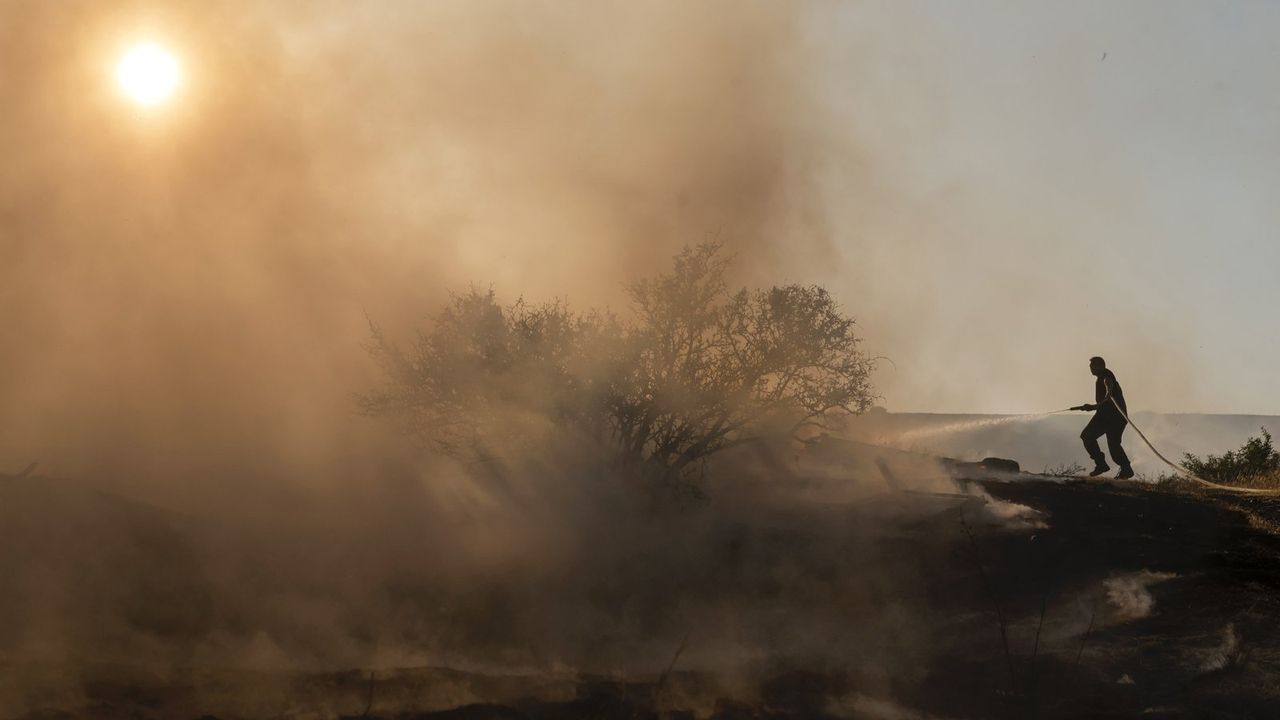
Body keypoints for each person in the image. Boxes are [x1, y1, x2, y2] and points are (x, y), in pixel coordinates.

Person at [1072, 356, 1134, 478]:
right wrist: (1093, 407)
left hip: (1112, 417)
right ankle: (1120, 468)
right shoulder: (1102, 377)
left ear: (1100, 366)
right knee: (1111, 444)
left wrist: (1094, 406)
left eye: (1092, 366)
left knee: (1089, 437)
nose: (1090, 368)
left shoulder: (1106, 377)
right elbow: (1107, 398)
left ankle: (1107, 466)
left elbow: (1108, 392)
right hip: (1111, 416)